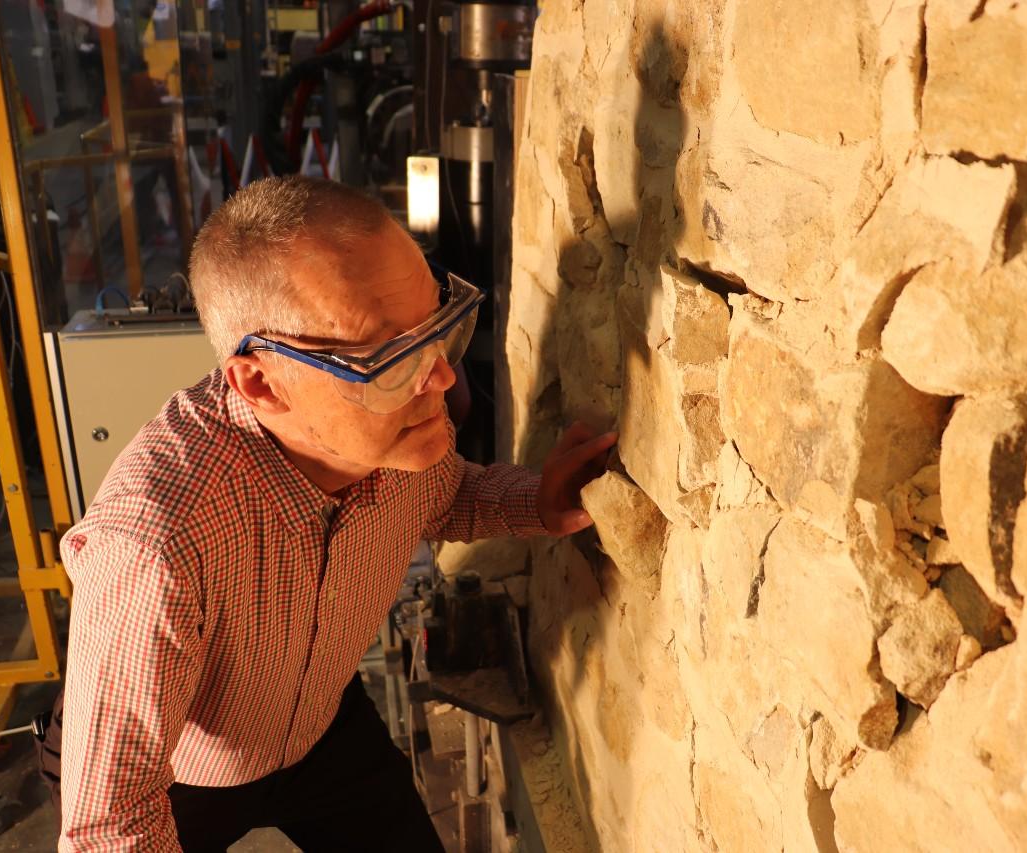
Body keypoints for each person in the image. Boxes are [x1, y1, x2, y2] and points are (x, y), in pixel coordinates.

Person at [52, 175, 615, 851]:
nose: (439, 380)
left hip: (318, 723)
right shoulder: (156, 544)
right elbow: (109, 828)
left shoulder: (394, 436)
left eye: (438, 328)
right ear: (260, 381)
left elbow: (444, 496)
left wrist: (538, 501)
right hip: (182, 774)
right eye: (387, 358)